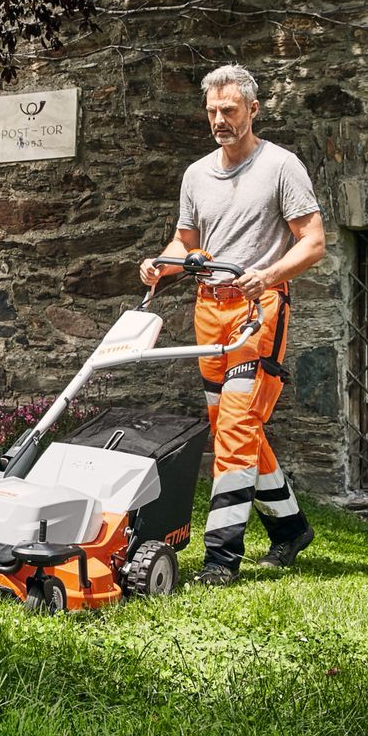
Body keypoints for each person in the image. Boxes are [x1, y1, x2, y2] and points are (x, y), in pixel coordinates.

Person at [139, 64, 326, 585]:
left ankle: (221, 557)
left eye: (229, 110)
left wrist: (267, 274)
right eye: (212, 112)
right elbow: (185, 240)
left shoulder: (282, 166)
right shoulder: (196, 175)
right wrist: (162, 262)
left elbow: (313, 242)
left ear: (253, 110)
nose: (220, 120)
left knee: (239, 427)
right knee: (231, 426)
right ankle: (290, 529)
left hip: (258, 309)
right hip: (208, 310)